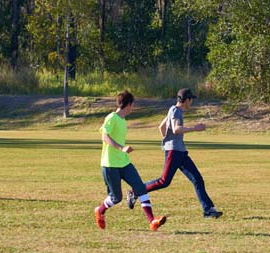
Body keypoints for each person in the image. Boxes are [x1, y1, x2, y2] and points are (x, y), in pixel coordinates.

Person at [130, 87, 223, 219]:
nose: (191, 103)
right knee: (164, 181)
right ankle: (135, 192)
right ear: (187, 100)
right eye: (191, 100)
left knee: (197, 179)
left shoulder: (173, 110)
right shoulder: (175, 111)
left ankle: (208, 210)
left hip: (180, 151)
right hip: (174, 152)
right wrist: (195, 129)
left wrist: (165, 139)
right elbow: (176, 129)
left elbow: (161, 127)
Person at [94, 90, 167, 232]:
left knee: (140, 187)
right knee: (116, 198)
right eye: (132, 105)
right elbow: (105, 137)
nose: (132, 108)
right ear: (129, 104)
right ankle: (100, 210)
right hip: (110, 164)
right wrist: (122, 148)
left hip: (124, 163)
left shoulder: (122, 120)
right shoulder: (112, 118)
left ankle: (152, 221)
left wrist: (123, 151)